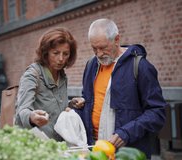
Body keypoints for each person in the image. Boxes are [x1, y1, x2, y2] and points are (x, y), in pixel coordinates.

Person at [71, 18, 167, 158]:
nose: (98, 54)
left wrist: (126, 133)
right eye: (94, 48)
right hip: (95, 150)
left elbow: (157, 113)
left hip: (128, 152)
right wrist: (76, 106)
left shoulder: (141, 67)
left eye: (103, 48)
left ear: (116, 39)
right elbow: (89, 101)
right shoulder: (91, 65)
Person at [15, 27, 77, 141]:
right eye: (56, 53)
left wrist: (71, 104)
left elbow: (53, 103)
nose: (61, 59)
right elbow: (22, 110)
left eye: (66, 54)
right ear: (45, 53)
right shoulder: (32, 75)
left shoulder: (62, 76)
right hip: (36, 145)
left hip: (59, 144)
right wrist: (31, 117)